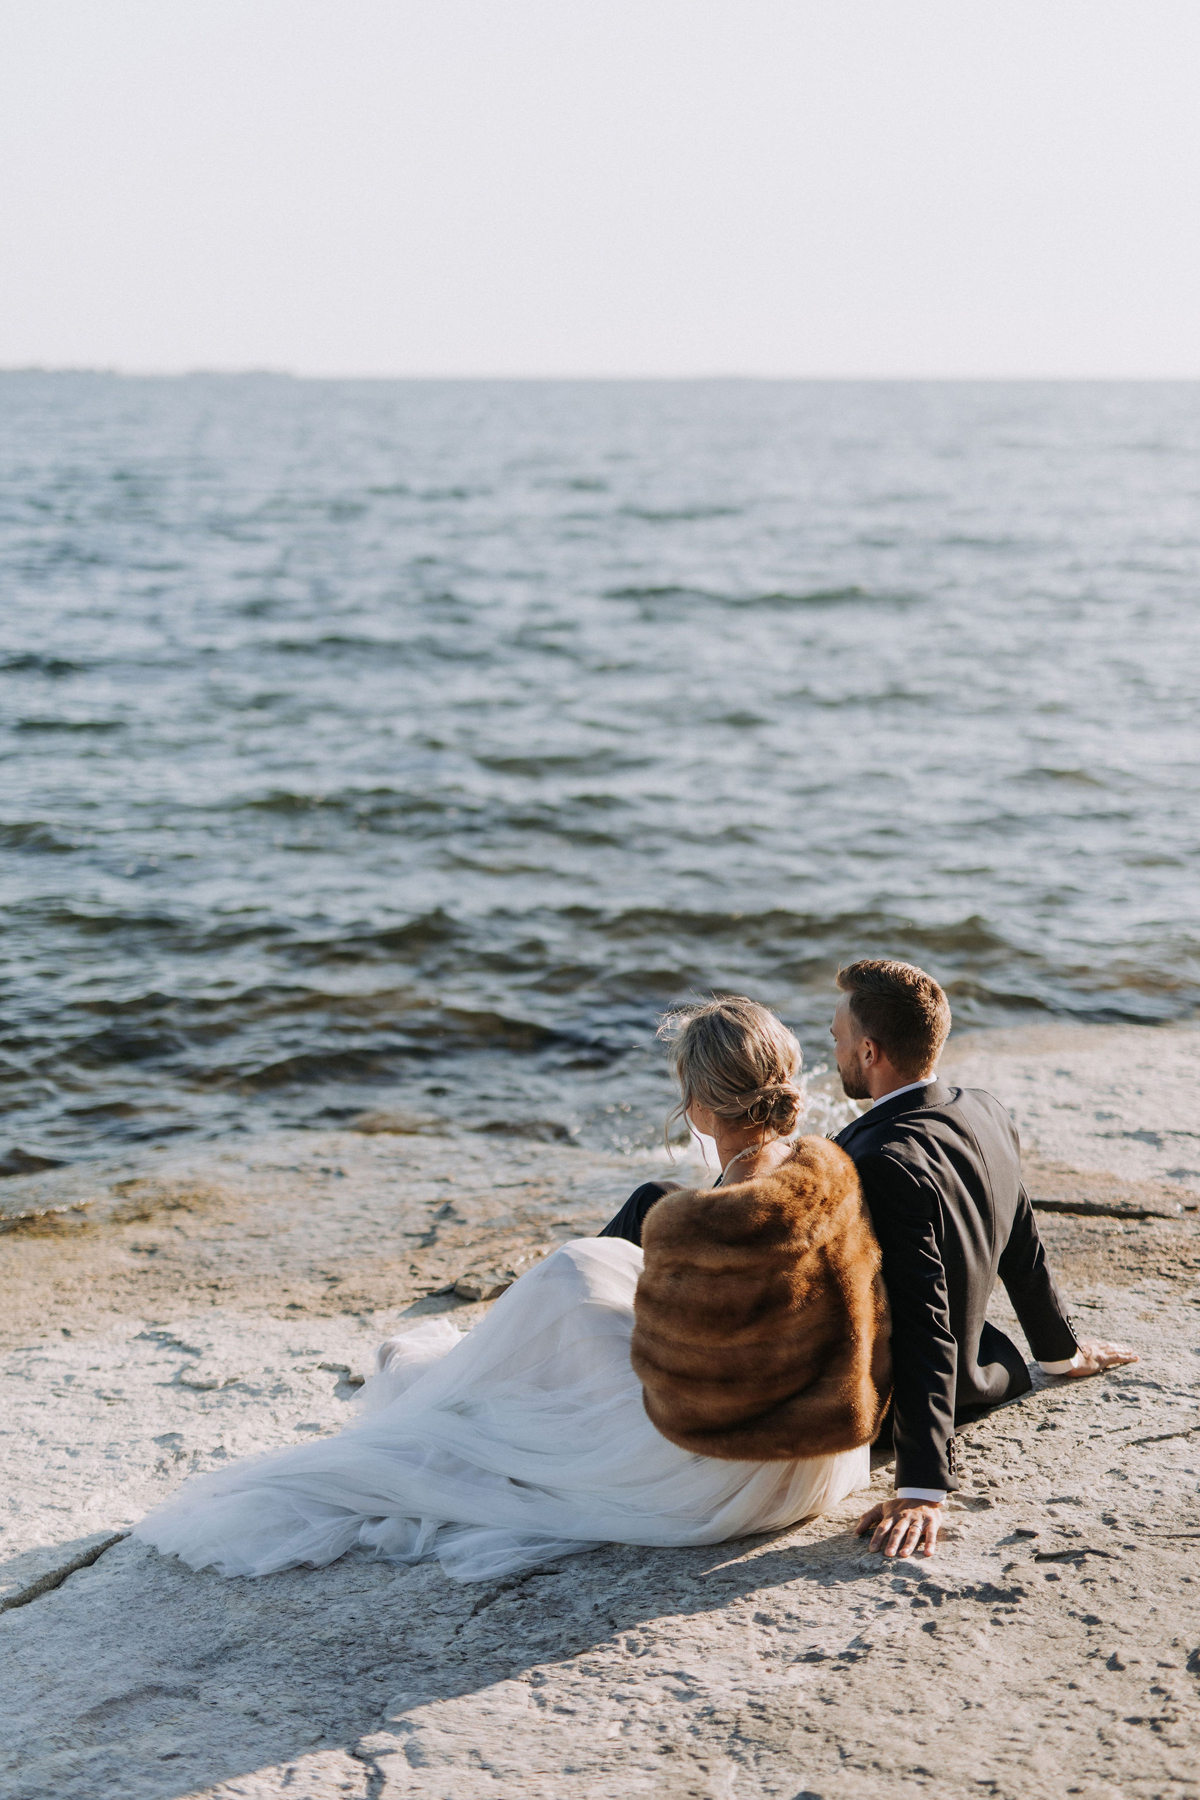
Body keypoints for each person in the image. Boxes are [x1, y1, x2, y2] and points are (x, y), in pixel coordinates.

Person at [134, 999, 879, 1586]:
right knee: (587, 1277)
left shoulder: (702, 1222)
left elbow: (679, 1386)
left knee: (572, 1275)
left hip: (725, 1478)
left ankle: (480, 1371)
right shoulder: (827, 1169)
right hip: (822, 1457)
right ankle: (492, 1363)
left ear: (702, 1108)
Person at [829, 958, 1137, 1562]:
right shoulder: (984, 1110)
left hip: (901, 1404)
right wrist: (1061, 1353)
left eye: (837, 1037)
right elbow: (1022, 1241)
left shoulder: (878, 1159)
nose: (833, 1049)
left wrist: (922, 1486)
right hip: (988, 1369)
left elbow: (922, 1317)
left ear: (869, 1051)